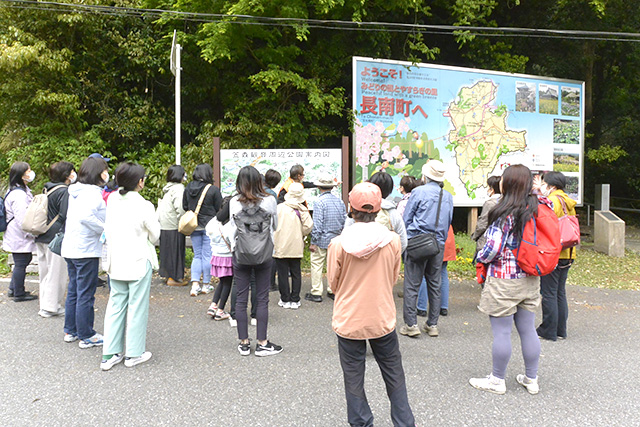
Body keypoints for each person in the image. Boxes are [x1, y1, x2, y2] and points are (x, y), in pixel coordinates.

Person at [328, 182, 415, 427]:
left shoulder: (338, 244)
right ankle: (405, 422)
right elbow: (393, 275)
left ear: (351, 210)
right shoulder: (393, 241)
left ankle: (361, 423)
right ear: (378, 210)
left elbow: (333, 283)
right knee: (393, 373)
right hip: (382, 315)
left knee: (354, 376)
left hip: (349, 318)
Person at [469, 164, 545, 395]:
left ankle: (497, 380)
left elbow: (491, 248)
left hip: (504, 279)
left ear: (509, 183)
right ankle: (531, 379)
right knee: (528, 329)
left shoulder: (505, 211)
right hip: (531, 277)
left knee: (502, 332)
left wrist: (479, 257)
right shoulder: (537, 208)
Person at [100, 162, 160, 370]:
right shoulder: (144, 205)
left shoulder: (112, 200)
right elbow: (155, 235)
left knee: (115, 305)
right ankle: (133, 354)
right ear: (140, 181)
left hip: (116, 261)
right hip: (138, 260)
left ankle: (109, 353)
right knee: (137, 307)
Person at [229, 165, 281, 356]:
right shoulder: (269, 200)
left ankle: (243, 343)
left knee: (241, 300)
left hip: (241, 253)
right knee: (262, 298)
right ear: (259, 181)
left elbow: (232, 228)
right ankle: (262, 343)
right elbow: (275, 226)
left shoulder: (234, 201)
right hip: (264, 253)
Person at [400, 160, 453, 338]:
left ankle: (411, 325)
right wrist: (440, 240)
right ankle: (432, 325)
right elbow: (448, 221)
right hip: (437, 243)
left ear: (425, 176)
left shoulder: (418, 192)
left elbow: (407, 218)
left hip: (417, 242)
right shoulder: (447, 196)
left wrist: (406, 240)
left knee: (412, 285)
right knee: (435, 283)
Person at [61, 156, 108, 348]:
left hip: (72, 247)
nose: (107, 173)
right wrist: (105, 229)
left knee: (74, 290)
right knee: (85, 293)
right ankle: (86, 334)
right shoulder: (92, 193)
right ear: (98, 173)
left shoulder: (77, 191)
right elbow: (86, 217)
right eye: (105, 170)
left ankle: (70, 329)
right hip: (85, 249)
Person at [536, 171, 577, 341]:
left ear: (551, 186)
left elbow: (544, 223)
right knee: (560, 292)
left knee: (549, 292)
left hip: (555, 252)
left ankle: (548, 329)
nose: (542, 187)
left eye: (544, 184)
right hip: (568, 251)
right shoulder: (567, 201)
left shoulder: (552, 201)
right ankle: (561, 329)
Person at [35, 161, 75, 316]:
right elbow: (65, 214)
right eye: (72, 172)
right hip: (56, 236)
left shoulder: (47, 189)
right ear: (66, 175)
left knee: (44, 272)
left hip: (41, 234)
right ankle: (51, 307)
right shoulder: (64, 191)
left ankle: (44, 304)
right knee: (56, 273)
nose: (74, 174)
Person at [182, 164, 223, 296]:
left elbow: (185, 206)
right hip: (209, 226)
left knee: (197, 255)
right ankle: (206, 284)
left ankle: (194, 285)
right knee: (207, 255)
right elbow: (219, 208)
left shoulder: (188, 187)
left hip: (193, 226)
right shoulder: (213, 189)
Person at [307, 172, 345, 302]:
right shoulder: (339, 201)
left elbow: (318, 223)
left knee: (317, 264)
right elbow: (343, 219)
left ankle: (316, 292)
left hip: (322, 238)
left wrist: (313, 242)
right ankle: (332, 289)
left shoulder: (318, 201)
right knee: (333, 265)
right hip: (336, 238)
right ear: (332, 187)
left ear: (319, 187)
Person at [274, 182, 313, 309]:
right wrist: (300, 232)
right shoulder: (302, 210)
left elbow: (272, 224)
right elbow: (308, 227)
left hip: (280, 244)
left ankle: (284, 299)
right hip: (296, 245)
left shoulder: (279, 208)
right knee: (296, 272)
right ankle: (295, 299)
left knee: (282, 273)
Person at [3, 162, 37, 302]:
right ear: (21, 175)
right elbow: (22, 219)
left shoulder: (18, 190)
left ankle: (13, 288)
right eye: (28, 171)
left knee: (22, 261)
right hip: (19, 234)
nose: (31, 173)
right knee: (21, 262)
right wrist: (32, 232)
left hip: (16, 233)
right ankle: (18, 293)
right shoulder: (19, 195)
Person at [417, 225, 456, 317]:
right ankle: (443, 307)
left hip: (429, 236)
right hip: (446, 234)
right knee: (442, 272)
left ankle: (421, 307)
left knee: (422, 272)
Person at [157, 165, 187, 286]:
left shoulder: (168, 188)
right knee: (175, 251)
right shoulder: (178, 188)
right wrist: (183, 221)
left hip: (164, 224)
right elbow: (180, 207)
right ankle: (173, 278)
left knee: (167, 251)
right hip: (173, 224)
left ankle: (168, 275)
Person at [205, 199, 234, 321]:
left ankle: (213, 305)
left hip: (216, 255)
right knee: (227, 283)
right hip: (227, 257)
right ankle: (221, 310)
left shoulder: (212, 222)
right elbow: (232, 241)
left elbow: (207, 232)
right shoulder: (230, 224)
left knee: (221, 282)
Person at [471, 175, 502, 256]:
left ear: (492, 189)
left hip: (487, 241)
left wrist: (475, 236)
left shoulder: (490, 203)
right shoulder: (505, 202)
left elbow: (483, 223)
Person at [263, 169, 281, 292]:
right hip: (268, 227)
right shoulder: (271, 194)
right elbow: (274, 213)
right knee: (271, 256)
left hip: (256, 228)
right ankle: (270, 283)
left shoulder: (258, 190)